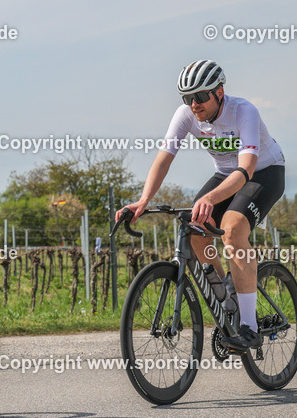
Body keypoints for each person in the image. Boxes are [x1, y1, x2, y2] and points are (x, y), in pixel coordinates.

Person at [118, 60, 285, 351]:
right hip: (224, 174)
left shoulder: (243, 111)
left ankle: (249, 326)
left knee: (232, 229)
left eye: (200, 97)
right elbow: (164, 157)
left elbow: (245, 170)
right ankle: (226, 297)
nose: (193, 104)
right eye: (187, 98)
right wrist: (144, 201)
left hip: (264, 173)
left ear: (219, 92)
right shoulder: (186, 115)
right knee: (195, 230)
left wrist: (210, 198)